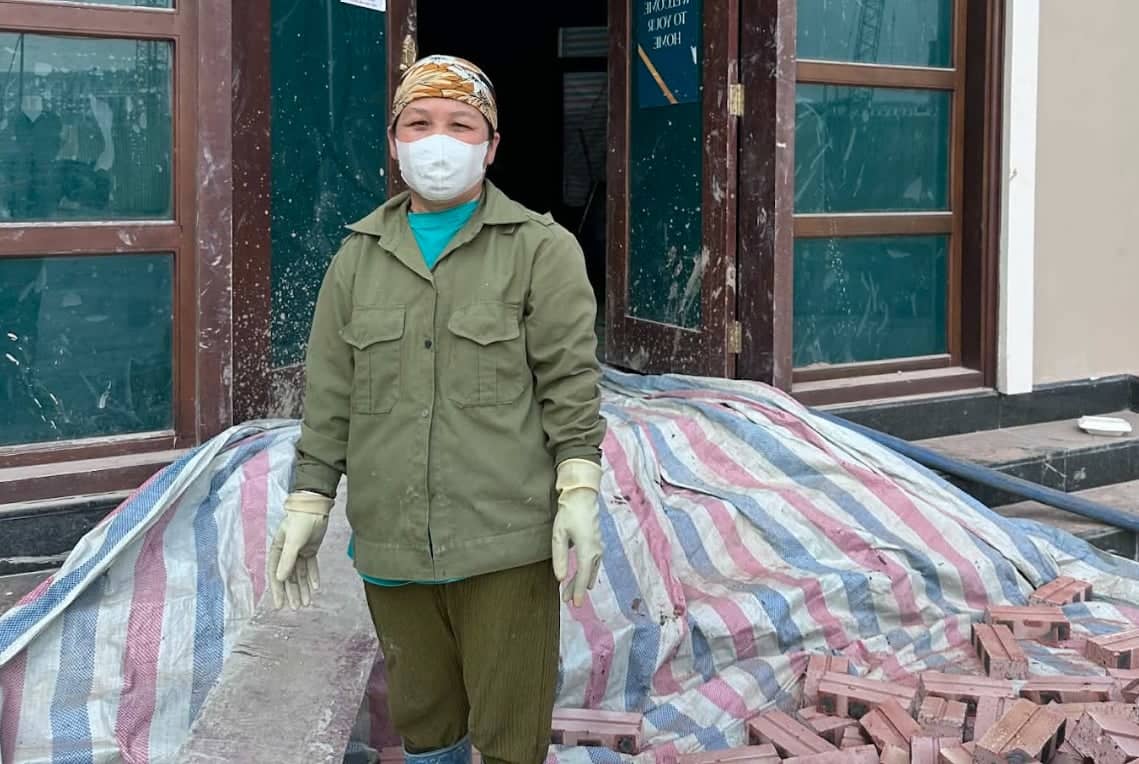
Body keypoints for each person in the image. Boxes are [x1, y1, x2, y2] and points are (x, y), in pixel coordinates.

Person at [267, 55, 608, 764]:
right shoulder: (356, 260)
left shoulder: (541, 251)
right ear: (394, 143)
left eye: (461, 124)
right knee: (424, 727)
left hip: (505, 543)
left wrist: (578, 489)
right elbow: (330, 397)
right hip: (390, 542)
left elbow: (568, 386)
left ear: (490, 145)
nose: (438, 140)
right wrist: (308, 501)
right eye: (418, 123)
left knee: (511, 733)